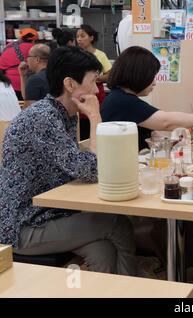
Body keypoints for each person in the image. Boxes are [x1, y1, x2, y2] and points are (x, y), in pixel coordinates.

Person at [0, 46, 137, 276]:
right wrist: (95, 116)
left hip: (49, 214)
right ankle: (136, 291)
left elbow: (82, 165)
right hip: (22, 226)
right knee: (117, 223)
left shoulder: (64, 113)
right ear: (70, 84)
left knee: (102, 250)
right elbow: (91, 168)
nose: (96, 89)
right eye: (93, 81)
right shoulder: (42, 118)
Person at [101, 46, 193, 150]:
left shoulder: (120, 97)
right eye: (152, 76)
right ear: (139, 75)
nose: (154, 83)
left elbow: (153, 129)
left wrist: (170, 142)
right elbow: (166, 122)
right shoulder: (123, 101)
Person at [76, 24, 112, 139]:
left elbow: (109, 74)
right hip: (79, 93)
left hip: (96, 92)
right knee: (80, 123)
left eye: (83, 36)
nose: (79, 39)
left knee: (95, 118)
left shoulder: (100, 55)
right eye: (77, 37)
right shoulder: (75, 55)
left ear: (91, 38)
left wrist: (95, 79)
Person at [0, 28, 37, 99]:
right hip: (26, 83)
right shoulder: (34, 48)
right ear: (34, 40)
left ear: (21, 37)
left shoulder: (9, 46)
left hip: (8, 83)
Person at [18, 43, 50, 108]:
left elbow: (28, 109)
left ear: (37, 59)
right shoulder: (57, 74)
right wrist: (23, 76)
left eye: (28, 56)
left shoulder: (35, 79)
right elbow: (27, 97)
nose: (27, 59)